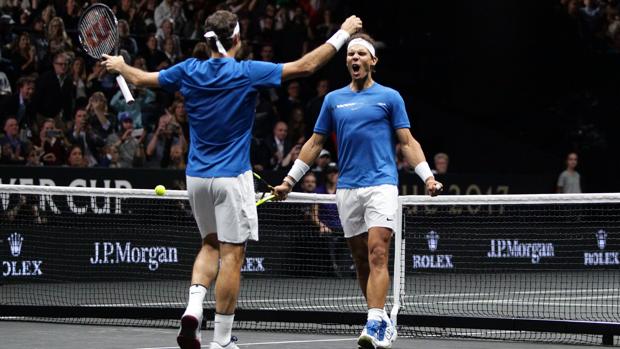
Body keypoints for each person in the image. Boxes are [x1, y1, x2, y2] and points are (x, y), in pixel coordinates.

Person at [102, 9, 362, 349]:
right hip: (231, 178)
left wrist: (121, 66)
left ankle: (194, 308)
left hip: (196, 179)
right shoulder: (246, 73)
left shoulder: (188, 70)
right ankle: (222, 341)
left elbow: (140, 79)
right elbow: (306, 66)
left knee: (209, 244)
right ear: (237, 39)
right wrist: (343, 32)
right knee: (232, 256)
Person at [273, 33, 443, 349]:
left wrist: (427, 177)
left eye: (361, 54)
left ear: (372, 61)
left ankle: (374, 322)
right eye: (350, 54)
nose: (354, 59)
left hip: (381, 185)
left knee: (378, 250)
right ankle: (380, 319)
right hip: (348, 189)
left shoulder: (390, 97)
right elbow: (315, 143)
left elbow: (407, 142)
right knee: (361, 259)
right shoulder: (333, 100)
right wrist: (289, 180)